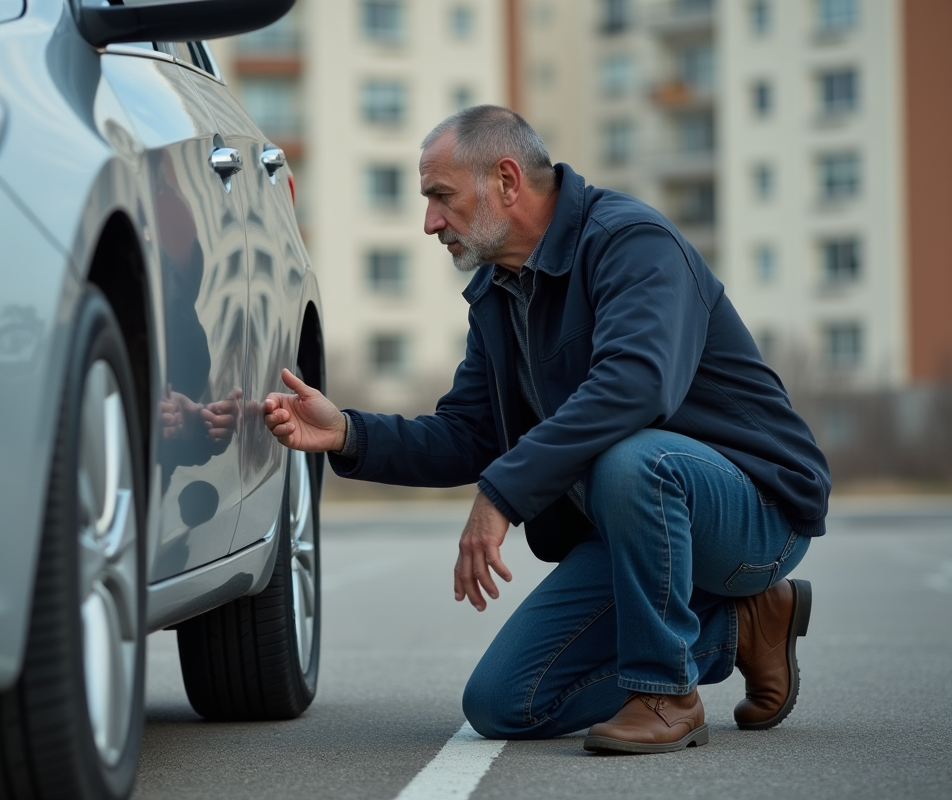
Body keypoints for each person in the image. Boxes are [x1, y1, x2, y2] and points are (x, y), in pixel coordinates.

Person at [263, 106, 829, 754]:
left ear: (506, 180)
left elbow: (636, 387)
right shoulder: (499, 293)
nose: (429, 223)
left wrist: (502, 494)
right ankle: (739, 625)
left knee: (634, 460)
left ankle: (666, 692)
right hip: (639, 526)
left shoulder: (631, 242)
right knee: (504, 702)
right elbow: (471, 434)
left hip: (754, 509)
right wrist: (348, 434)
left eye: (440, 197)